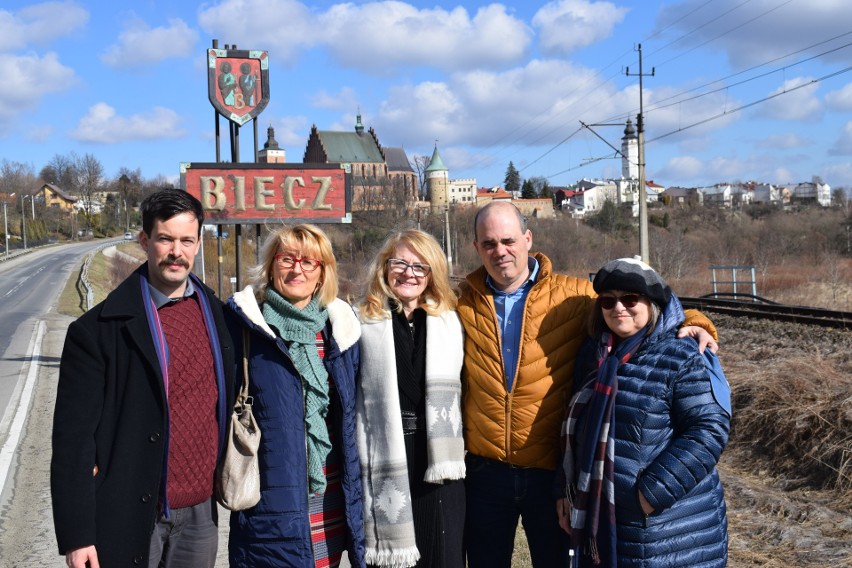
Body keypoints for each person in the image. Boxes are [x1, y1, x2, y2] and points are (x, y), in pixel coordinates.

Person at [456, 201, 718, 568]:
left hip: (549, 471)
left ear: (528, 239)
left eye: (508, 240)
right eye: (489, 244)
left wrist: (695, 321)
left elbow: (635, 303)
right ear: (476, 248)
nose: (500, 251)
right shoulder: (460, 303)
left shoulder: (574, 296)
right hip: (486, 473)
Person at [51, 189, 236, 568]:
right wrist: (78, 535)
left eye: (186, 240)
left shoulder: (221, 318)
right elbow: (73, 442)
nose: (176, 251)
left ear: (199, 243)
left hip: (201, 513)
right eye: (165, 239)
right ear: (144, 241)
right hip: (128, 511)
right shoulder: (98, 331)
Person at [557, 257, 730, 566]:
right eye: (608, 301)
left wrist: (649, 496)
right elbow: (577, 430)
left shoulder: (681, 353)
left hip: (665, 526)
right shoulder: (593, 355)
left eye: (630, 299)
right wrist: (567, 490)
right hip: (612, 518)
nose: (618, 308)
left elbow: (708, 429)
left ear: (652, 303)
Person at [226, 224, 366, 568]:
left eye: (309, 262)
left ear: (322, 273)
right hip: (270, 503)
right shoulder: (245, 325)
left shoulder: (342, 329)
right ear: (271, 265)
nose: (297, 269)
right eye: (287, 259)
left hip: (331, 494)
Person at [355, 229, 466, 568]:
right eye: (400, 263)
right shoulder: (360, 321)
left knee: (442, 556)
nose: (409, 273)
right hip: (385, 453)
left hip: (438, 458)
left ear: (432, 275)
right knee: (392, 561)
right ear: (384, 268)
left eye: (421, 267)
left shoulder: (450, 322)